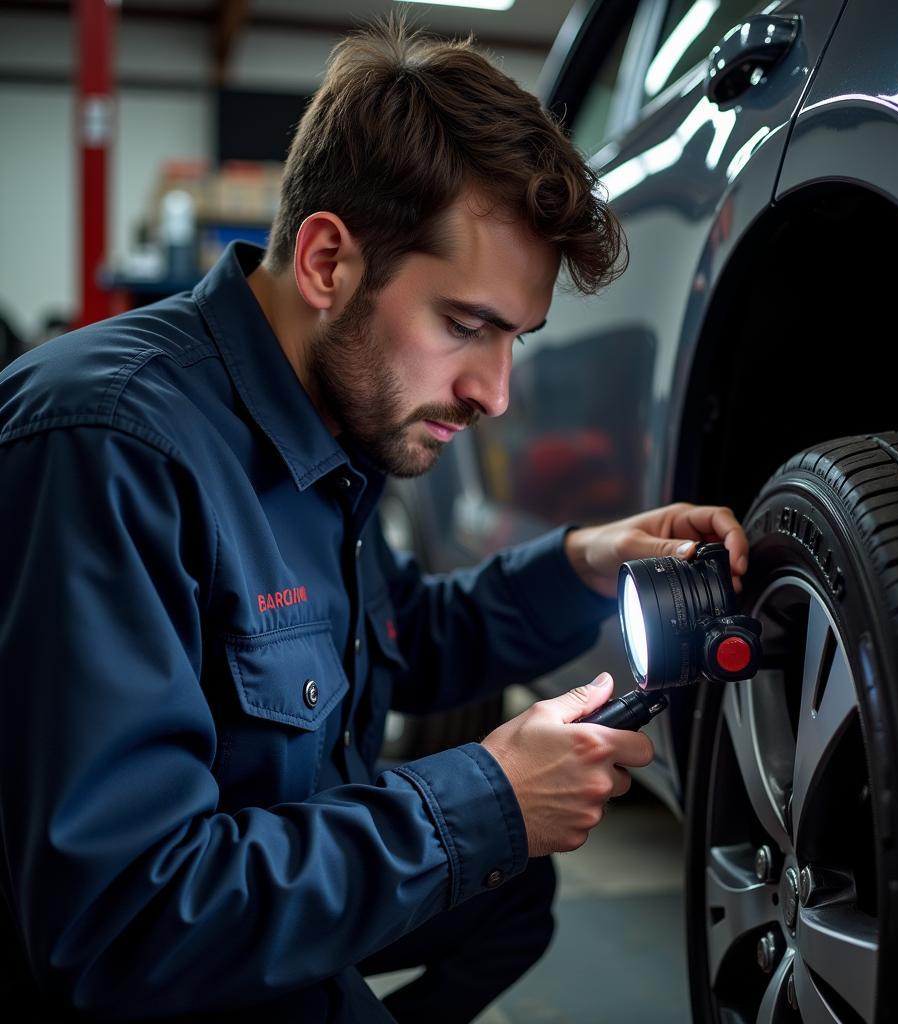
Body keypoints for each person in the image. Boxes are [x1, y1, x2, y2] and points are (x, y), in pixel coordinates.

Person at [0, 19, 748, 1023]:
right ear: (325, 263)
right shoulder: (112, 446)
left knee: (510, 899)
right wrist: (480, 800)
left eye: (515, 339)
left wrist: (581, 562)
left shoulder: (329, 421)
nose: (494, 393)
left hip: (251, 894)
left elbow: (399, 642)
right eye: (465, 326)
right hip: (154, 954)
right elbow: (120, 921)